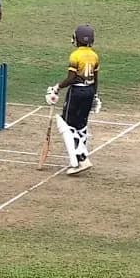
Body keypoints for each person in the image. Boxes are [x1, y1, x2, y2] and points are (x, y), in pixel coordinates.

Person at [45, 24, 103, 175]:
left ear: (77, 39)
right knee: (81, 125)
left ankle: (80, 160)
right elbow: (95, 79)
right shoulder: (94, 56)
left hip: (76, 92)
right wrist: (95, 96)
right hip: (89, 91)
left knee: (67, 125)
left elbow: (71, 78)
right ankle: (81, 158)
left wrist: (56, 88)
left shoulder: (75, 56)